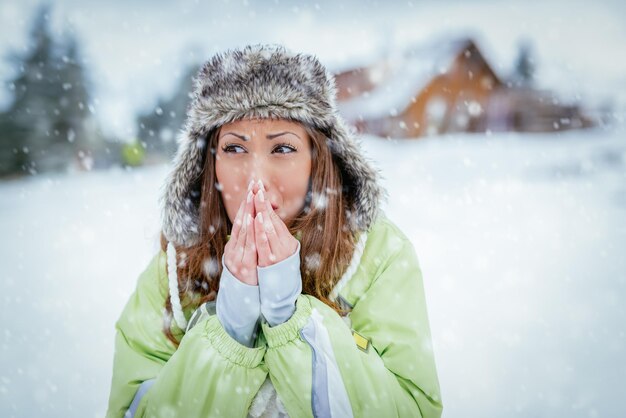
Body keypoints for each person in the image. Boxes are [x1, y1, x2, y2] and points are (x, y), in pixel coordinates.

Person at [105, 44, 443, 418]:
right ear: (208, 164)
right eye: (234, 149)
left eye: (282, 148)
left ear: (319, 159)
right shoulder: (173, 270)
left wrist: (290, 318)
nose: (257, 181)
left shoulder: (379, 255)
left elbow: (411, 409)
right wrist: (230, 327)